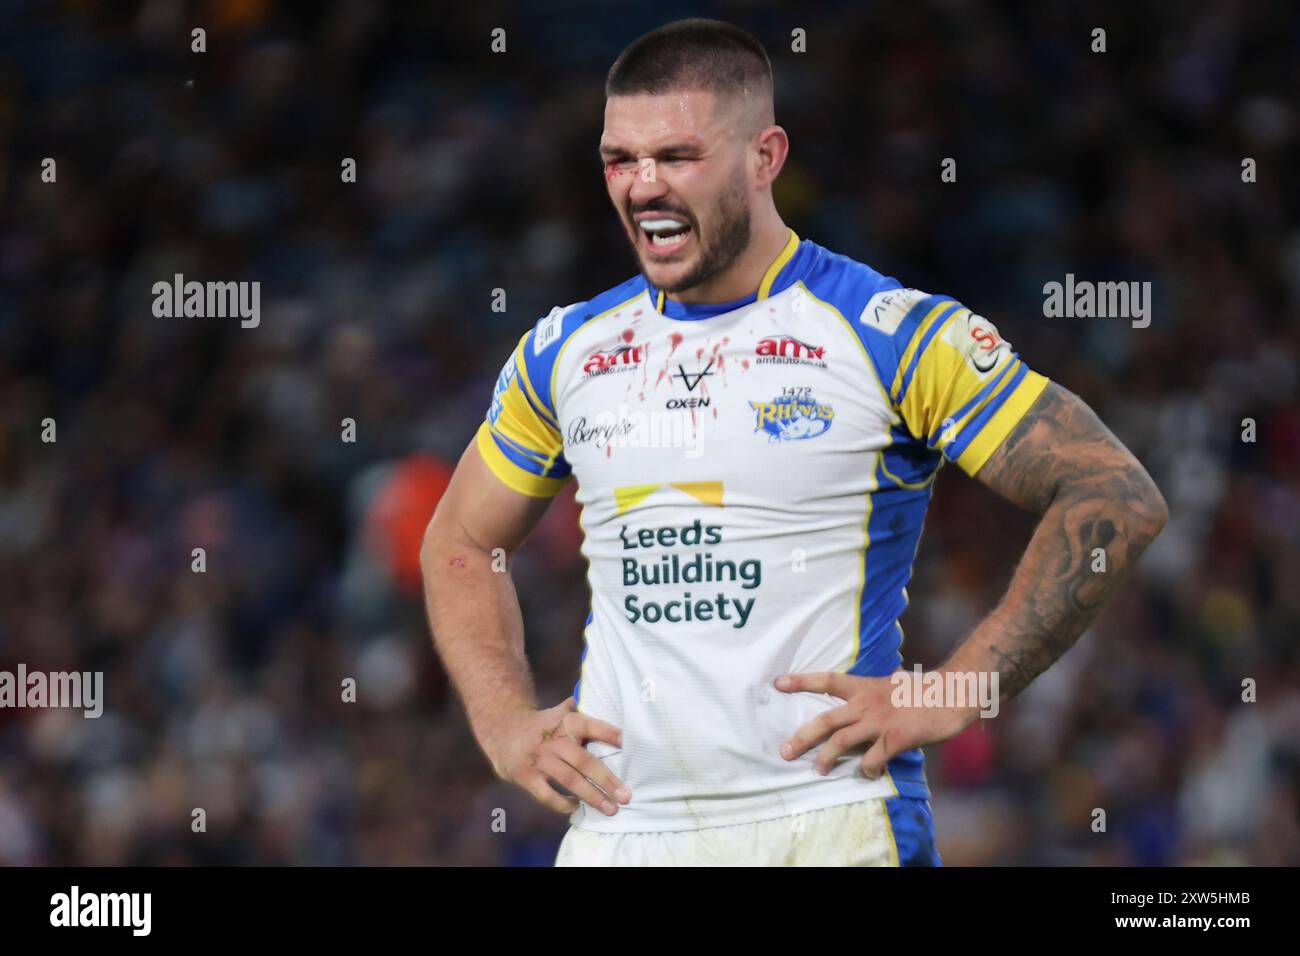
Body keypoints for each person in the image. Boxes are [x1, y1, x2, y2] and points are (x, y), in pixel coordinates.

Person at [420, 18, 1168, 866]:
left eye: (678, 156)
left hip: (830, 824)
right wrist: (504, 724)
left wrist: (955, 693)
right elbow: (461, 537)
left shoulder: (890, 334)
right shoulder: (567, 352)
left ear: (765, 157)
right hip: (623, 832)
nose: (643, 186)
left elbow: (1113, 492)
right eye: (620, 160)